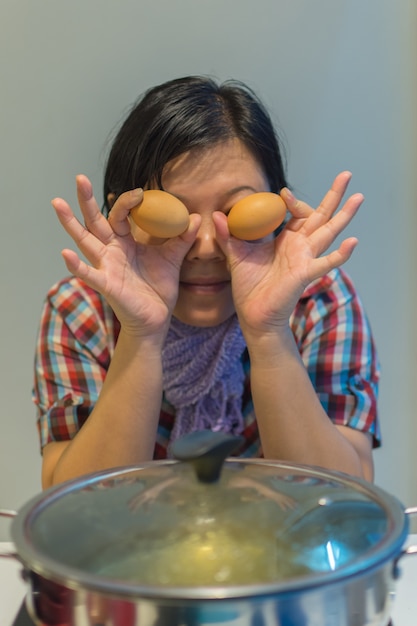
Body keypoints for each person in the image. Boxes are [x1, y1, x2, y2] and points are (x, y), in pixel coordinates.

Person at [33, 75, 380, 490]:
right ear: (120, 218)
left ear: (279, 207)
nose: (205, 247)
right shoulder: (81, 310)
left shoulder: (317, 300)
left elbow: (344, 496)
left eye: (237, 211)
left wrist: (269, 334)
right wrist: (141, 337)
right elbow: (73, 508)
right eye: (172, 215)